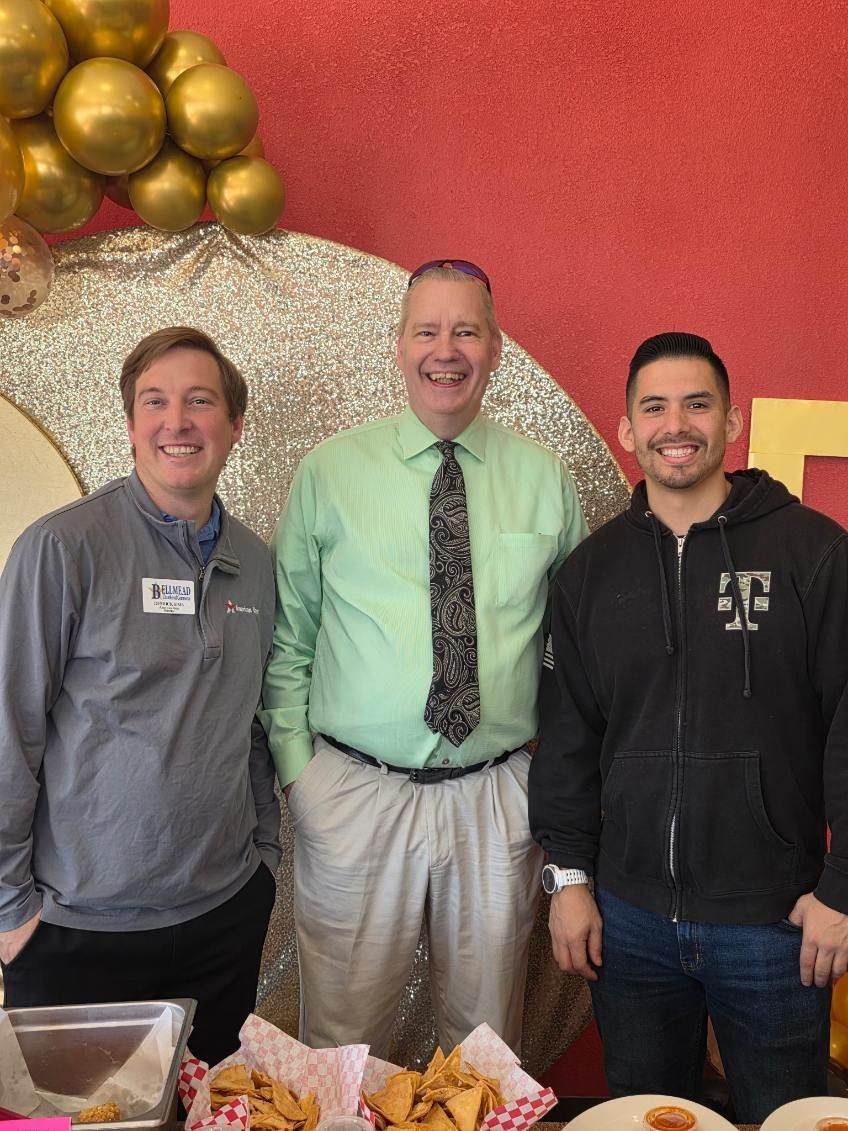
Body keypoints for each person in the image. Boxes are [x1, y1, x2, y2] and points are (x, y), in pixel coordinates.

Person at [259, 259, 587, 1056]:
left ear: (497, 348)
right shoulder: (330, 474)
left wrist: (538, 772)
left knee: (485, 1043)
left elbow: (578, 652)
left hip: (495, 795)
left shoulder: (545, 479)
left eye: (466, 330)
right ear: (400, 345)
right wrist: (303, 774)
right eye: (428, 330)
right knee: (341, 1041)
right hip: (355, 793)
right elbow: (289, 635)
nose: (447, 349)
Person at [529, 331, 848, 1121]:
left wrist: (843, 890)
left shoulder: (813, 552)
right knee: (646, 1116)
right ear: (626, 431)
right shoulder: (590, 573)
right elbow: (567, 738)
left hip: (775, 921)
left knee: (785, 1114)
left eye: (698, 403)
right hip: (630, 922)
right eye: (655, 407)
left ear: (731, 422)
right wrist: (568, 879)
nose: (678, 424)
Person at [0, 326, 281, 1068]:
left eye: (199, 401)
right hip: (75, 931)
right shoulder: (61, 549)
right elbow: (8, 731)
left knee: (212, 1115)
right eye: (155, 402)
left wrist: (266, 863)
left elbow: (253, 722)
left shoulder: (256, 564)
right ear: (130, 425)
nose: (177, 421)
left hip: (222, 918)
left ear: (234, 426)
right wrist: (10, 911)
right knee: (58, 1124)